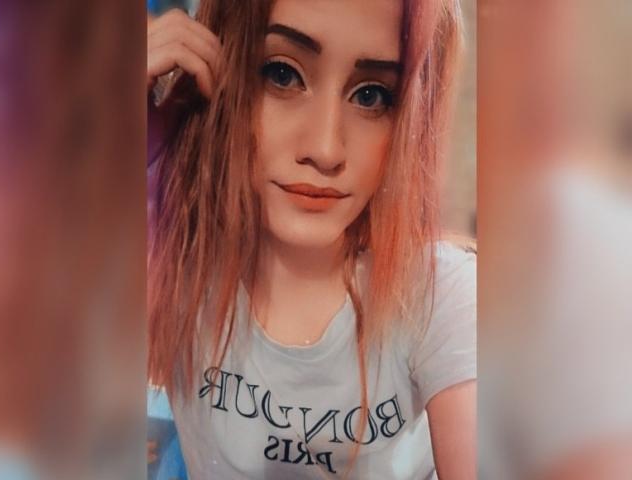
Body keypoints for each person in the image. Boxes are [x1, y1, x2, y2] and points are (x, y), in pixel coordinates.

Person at [147, 1, 475, 478]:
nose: (325, 150)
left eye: (371, 96)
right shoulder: (177, 261)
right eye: (282, 74)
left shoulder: (440, 298)